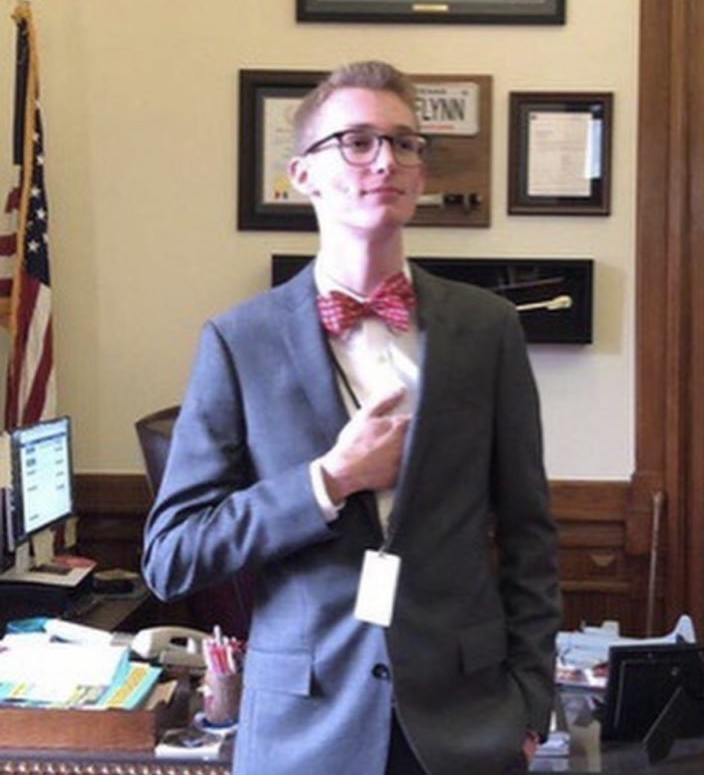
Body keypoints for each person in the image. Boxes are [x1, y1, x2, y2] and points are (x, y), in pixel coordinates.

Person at [142, 60, 561, 775]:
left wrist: (529, 705)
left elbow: (529, 535)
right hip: (304, 730)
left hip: (466, 726)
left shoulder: (486, 329)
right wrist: (326, 482)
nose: (386, 161)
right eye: (357, 141)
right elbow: (172, 554)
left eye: (404, 143)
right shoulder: (238, 342)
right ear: (302, 173)